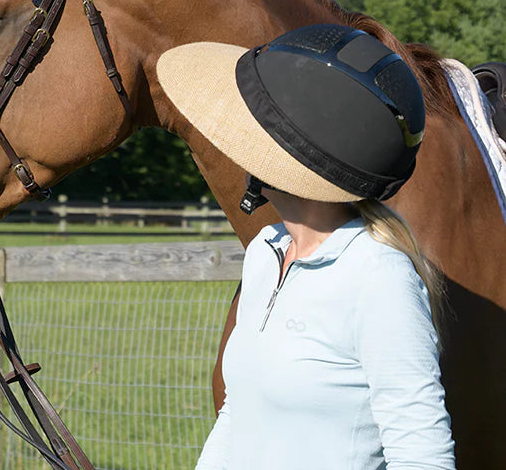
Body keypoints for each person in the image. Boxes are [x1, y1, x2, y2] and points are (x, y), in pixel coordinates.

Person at [156, 24, 455, 469]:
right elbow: (238, 413)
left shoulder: (378, 277)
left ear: (299, 154)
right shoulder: (266, 250)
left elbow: (421, 455)